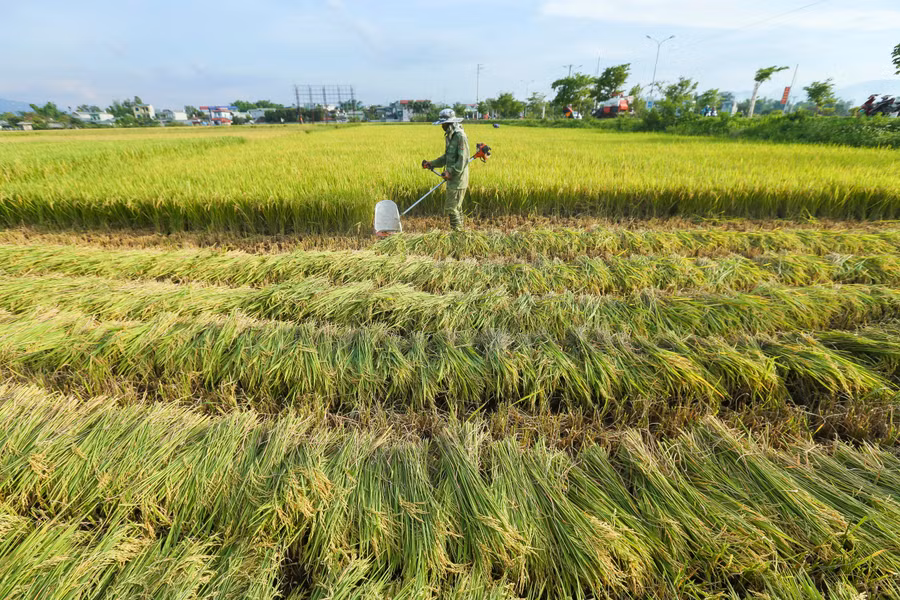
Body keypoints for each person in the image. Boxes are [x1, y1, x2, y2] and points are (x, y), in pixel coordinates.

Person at [422, 108, 469, 231]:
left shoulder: (460, 136)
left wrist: (450, 172)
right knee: (456, 208)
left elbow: (463, 160)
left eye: (443, 123)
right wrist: (432, 163)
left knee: (451, 208)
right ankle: (460, 233)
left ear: (450, 123)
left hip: (458, 179)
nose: (442, 126)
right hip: (452, 179)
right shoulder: (450, 136)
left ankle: (457, 234)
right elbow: (447, 157)